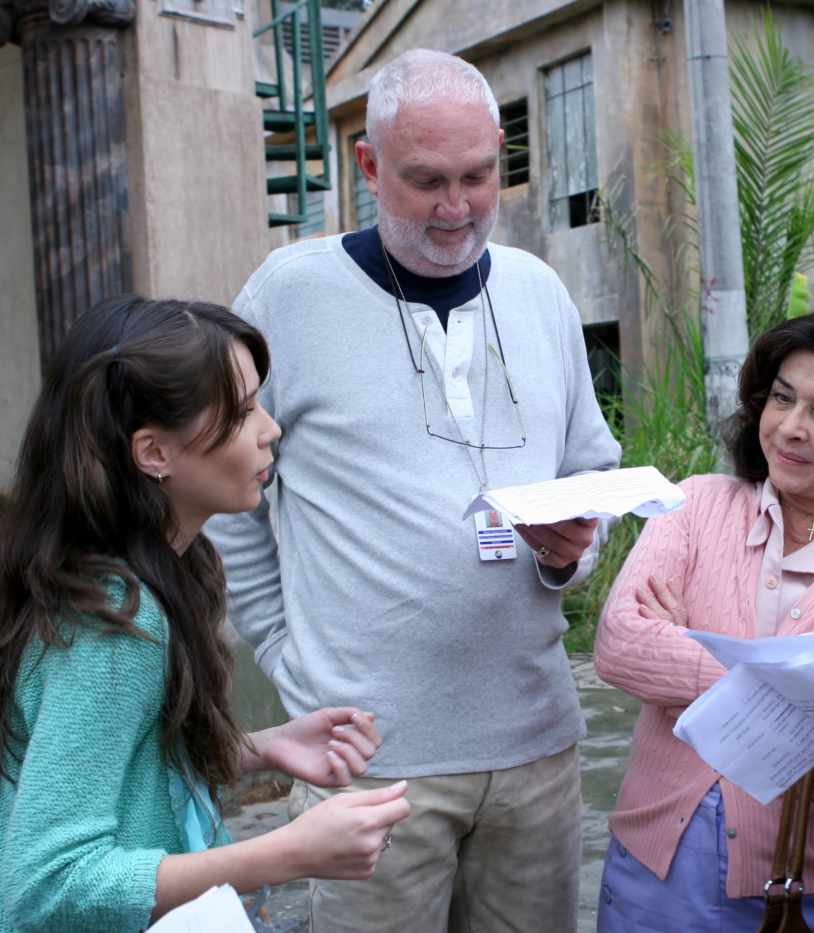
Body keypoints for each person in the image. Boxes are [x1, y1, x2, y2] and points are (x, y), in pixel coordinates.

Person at [205, 49, 621, 933]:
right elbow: (226, 490)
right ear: (368, 166)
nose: (456, 207)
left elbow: (597, 471)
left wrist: (575, 554)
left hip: (536, 748)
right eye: (426, 180)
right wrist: (283, 648)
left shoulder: (542, 294)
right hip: (366, 759)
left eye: (477, 176)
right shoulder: (290, 294)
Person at [0, 297, 410, 932]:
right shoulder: (113, 624)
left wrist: (261, 748)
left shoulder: (154, 574)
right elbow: (51, 881)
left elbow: (120, 769)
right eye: (243, 411)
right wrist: (287, 853)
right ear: (153, 452)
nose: (270, 428)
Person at [592, 302, 814, 931]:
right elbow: (620, 646)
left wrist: (684, 652)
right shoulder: (698, 504)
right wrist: (805, 701)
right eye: (781, 398)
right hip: (651, 871)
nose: (789, 426)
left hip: (808, 896)